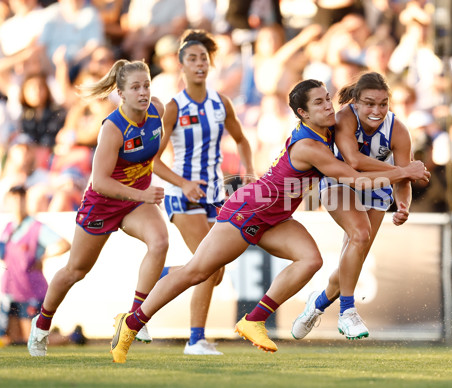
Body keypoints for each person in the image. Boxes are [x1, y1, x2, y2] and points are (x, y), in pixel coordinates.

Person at [110, 79, 430, 363]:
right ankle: (133, 322)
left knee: (310, 260)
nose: (328, 105)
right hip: (249, 210)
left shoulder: (328, 128)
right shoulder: (309, 145)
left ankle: (254, 320)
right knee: (198, 271)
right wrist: (404, 171)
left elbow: (355, 147)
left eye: (328, 98)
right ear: (303, 114)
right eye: (319, 102)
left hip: (276, 215)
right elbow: (355, 178)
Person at [27, 59, 168, 357]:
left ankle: (135, 318)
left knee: (160, 242)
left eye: (146, 85)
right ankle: (41, 326)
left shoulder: (158, 109)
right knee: (75, 271)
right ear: (121, 93)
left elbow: (153, 147)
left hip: (134, 200)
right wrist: (143, 194)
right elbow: (101, 182)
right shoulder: (113, 129)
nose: (143, 93)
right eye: (135, 87)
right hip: (102, 204)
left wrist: (153, 179)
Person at [152, 29, 256, 355]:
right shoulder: (173, 107)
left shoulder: (220, 103)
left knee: (216, 271)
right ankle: (195, 339)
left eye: (204, 59)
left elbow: (241, 139)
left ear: (210, 65)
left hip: (214, 195)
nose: (199, 64)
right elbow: (152, 160)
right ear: (181, 66)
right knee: (207, 267)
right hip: (182, 195)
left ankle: (158, 277)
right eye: (192, 59)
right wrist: (183, 184)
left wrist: (248, 174)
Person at [290, 72, 415, 341]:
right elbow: (354, 161)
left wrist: (403, 204)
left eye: (383, 104)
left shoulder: (399, 130)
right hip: (339, 181)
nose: (377, 110)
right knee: (360, 233)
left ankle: (317, 305)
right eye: (369, 103)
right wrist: (403, 170)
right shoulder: (345, 117)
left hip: (379, 187)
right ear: (355, 103)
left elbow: (405, 180)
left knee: (353, 261)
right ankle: (347, 312)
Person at [0, 185, 71, 346]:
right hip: (11, 291)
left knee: (31, 339)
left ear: (26, 202)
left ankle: (73, 337)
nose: (17, 205)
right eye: (13, 201)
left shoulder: (36, 227)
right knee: (12, 339)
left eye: (20, 201)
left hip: (31, 290)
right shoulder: (8, 229)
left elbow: (64, 244)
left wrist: (43, 258)